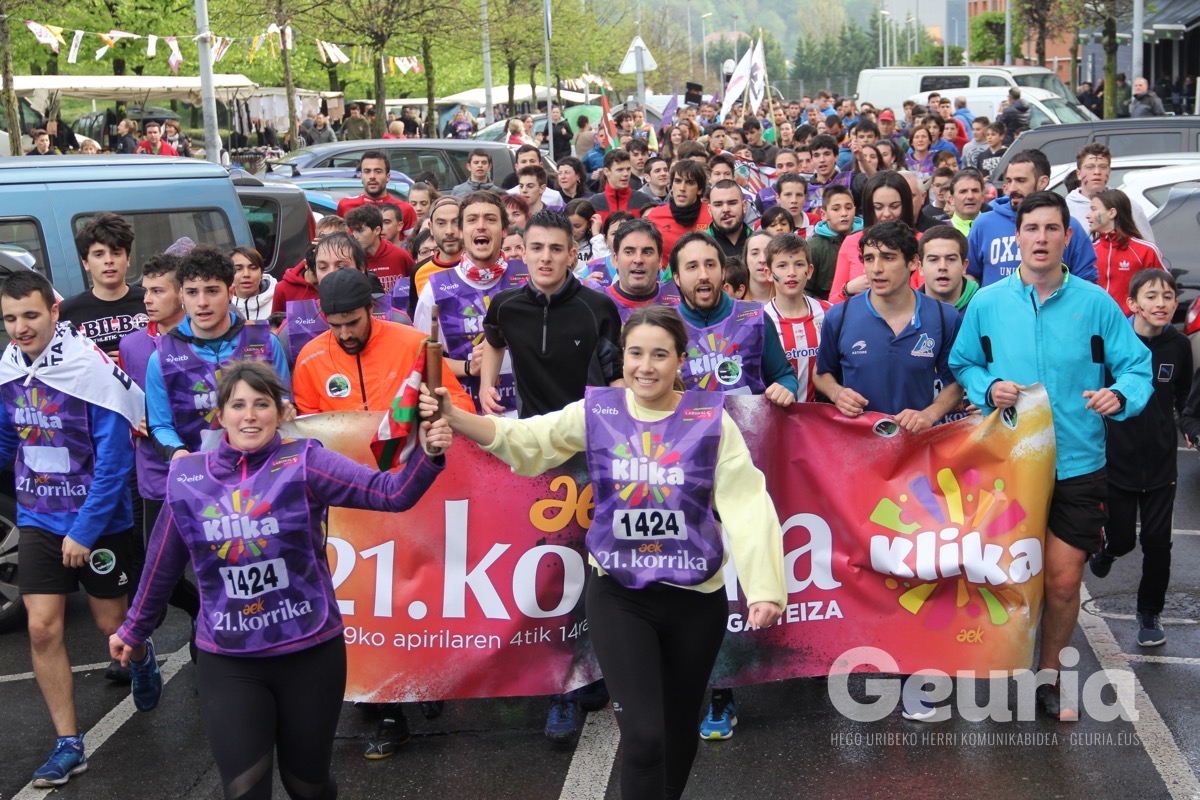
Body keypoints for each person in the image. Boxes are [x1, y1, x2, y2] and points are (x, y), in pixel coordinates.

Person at [421, 304, 784, 798]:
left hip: (696, 600)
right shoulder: (598, 412)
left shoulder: (710, 420)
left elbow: (747, 503)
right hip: (620, 596)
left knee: (678, 730)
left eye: (659, 355)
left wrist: (764, 589)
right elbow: (526, 439)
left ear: (681, 360)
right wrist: (454, 416)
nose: (645, 366)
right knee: (644, 738)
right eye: (635, 353)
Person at [113, 361, 450, 800]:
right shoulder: (188, 479)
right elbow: (162, 562)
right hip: (229, 659)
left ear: (281, 412)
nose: (249, 416)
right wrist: (134, 628)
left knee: (306, 786)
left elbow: (391, 493)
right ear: (220, 415)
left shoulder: (305, 462)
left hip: (309, 652)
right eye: (238, 406)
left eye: (261, 404)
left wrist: (430, 454)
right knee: (244, 791)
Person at [950, 190, 1153, 719]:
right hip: (1009, 467)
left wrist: (1120, 395)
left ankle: (1050, 679)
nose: (1041, 238)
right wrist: (987, 386)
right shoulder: (988, 302)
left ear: (1067, 237)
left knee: (1063, 581)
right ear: (1017, 237)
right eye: (1031, 228)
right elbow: (963, 362)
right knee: (1007, 579)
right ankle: (997, 666)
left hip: (1078, 465)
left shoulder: (1096, 303)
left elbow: (1137, 367)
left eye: (1051, 229)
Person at [0, 269, 146, 788]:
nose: (21, 327)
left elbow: (115, 463)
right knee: (41, 627)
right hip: (38, 515)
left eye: (30, 315)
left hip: (97, 519)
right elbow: (7, 440)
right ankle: (68, 743)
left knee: (112, 626)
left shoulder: (89, 369)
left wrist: (84, 532)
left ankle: (142, 657)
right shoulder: (8, 369)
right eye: (10, 318)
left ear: (54, 312)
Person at [480, 211, 623, 740]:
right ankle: (559, 689)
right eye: (535, 248)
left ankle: (593, 669)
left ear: (572, 254)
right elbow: (493, 339)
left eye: (555, 249)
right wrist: (487, 384)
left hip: (591, 454)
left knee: (596, 567)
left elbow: (618, 380)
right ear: (521, 251)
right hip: (534, 455)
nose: (544, 257)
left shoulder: (597, 307)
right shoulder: (506, 304)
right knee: (549, 574)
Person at [1090, 269, 1189, 647]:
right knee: (1123, 540)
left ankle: (1149, 613)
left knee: (1158, 543)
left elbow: (1184, 399)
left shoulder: (1179, 346)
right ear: (1132, 303)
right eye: (1151, 296)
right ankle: (1108, 550)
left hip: (1162, 464)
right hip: (1117, 461)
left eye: (1168, 297)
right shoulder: (1114, 343)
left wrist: (1189, 428)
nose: (1161, 304)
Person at [815, 219, 963, 434]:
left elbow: (956, 383)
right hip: (856, 441)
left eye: (888, 257)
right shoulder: (839, 316)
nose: (876, 268)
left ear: (913, 262)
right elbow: (821, 373)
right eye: (869, 259)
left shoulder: (944, 317)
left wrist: (930, 414)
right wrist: (837, 393)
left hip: (915, 441)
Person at [146, 246, 291, 460]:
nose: (202, 302)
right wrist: (179, 453)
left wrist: (286, 408)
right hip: (200, 469)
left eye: (212, 291)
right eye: (192, 292)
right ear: (181, 295)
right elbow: (160, 426)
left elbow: (284, 404)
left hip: (262, 464)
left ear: (230, 293)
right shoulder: (161, 358)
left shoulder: (266, 342)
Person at [409, 192, 524, 416]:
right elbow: (422, 360)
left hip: (525, 417)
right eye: (472, 220)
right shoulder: (435, 290)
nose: (481, 226)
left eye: (490, 219)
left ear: (504, 230)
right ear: (462, 232)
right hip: (465, 416)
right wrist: (468, 368)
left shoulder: (527, 279)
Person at [967, 150, 1097, 287]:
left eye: (1020, 181)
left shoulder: (1067, 225)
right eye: (1009, 181)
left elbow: (1086, 279)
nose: (1012, 188)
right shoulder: (984, 224)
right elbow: (969, 274)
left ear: (1042, 182)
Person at [60, 213, 149, 360]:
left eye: (116, 253)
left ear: (128, 259)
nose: (108, 260)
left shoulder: (149, 302)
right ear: (85, 263)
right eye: (99, 254)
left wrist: (135, 360)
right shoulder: (66, 312)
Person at [829, 172, 921, 304]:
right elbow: (832, 303)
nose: (887, 214)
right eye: (878, 207)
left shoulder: (922, 242)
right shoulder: (851, 242)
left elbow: (929, 295)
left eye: (894, 206)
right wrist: (848, 289)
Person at [763, 233, 831, 401]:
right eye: (782, 266)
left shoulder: (829, 313)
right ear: (769, 273)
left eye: (799, 264)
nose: (791, 273)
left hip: (823, 413)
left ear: (810, 271)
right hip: (779, 413)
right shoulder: (760, 320)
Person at [1087, 189, 1165, 312]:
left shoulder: (1146, 250)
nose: (1088, 215)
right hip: (1097, 321)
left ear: (1112, 213)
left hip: (1131, 322)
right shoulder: (1090, 251)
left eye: (1094, 209)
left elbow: (1163, 289)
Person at [594, 219, 681, 322]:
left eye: (647, 252)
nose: (638, 260)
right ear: (616, 259)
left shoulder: (681, 299)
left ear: (660, 260)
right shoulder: (595, 303)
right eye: (629, 252)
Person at [1067, 143, 1155, 244]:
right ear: (1078, 174)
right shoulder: (1066, 208)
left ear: (1109, 172)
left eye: (1103, 167)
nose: (1097, 172)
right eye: (1090, 167)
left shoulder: (1126, 205)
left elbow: (1147, 244)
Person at [335, 151, 418, 239]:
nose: (372, 176)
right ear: (361, 176)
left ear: (387, 177)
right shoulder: (345, 205)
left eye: (378, 171)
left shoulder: (406, 209)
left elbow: (412, 245)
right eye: (367, 171)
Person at [645, 161, 712, 269]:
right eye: (677, 181)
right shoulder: (655, 216)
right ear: (671, 186)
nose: (682, 188)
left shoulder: (712, 214)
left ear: (700, 189)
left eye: (689, 182)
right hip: (667, 277)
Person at [808, 185, 862, 301]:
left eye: (848, 208)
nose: (844, 213)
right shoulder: (814, 247)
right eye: (836, 209)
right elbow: (805, 289)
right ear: (823, 214)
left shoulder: (866, 239)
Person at [346, 204, 415, 292]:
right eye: (352, 231)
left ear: (377, 230)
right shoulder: (351, 259)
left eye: (360, 230)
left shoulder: (400, 256)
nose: (355, 236)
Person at [919, 224, 978, 314]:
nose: (942, 267)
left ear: (964, 266)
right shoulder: (909, 309)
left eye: (951, 259)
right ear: (920, 267)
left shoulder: (985, 305)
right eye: (933, 259)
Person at [591, 148, 655, 223]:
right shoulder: (593, 203)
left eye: (628, 169)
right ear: (606, 172)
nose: (626, 174)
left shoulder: (644, 200)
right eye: (620, 170)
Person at [804, 135, 852, 213]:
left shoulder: (850, 180)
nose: (822, 160)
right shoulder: (805, 189)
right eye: (816, 155)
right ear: (812, 160)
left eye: (827, 154)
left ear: (836, 157)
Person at [706, 180, 752, 259]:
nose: (726, 209)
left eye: (732, 203)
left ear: (744, 206)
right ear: (710, 210)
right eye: (718, 205)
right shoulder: (700, 244)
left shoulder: (758, 242)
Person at [230, 246, 276, 322]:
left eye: (253, 268)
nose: (246, 274)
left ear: (261, 273)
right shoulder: (222, 305)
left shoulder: (278, 299)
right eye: (238, 269)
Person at [946, 169, 986, 236]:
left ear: (982, 197)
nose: (970, 196)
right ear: (952, 199)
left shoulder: (996, 226)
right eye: (963, 191)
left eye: (975, 191)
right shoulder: (941, 230)